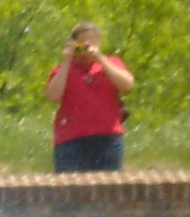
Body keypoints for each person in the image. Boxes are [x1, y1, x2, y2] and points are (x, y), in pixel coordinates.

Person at [44, 22, 133, 173]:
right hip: (71, 140)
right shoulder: (62, 70)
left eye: (91, 44)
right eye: (81, 45)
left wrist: (100, 59)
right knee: (71, 189)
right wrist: (67, 61)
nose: (86, 49)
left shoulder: (111, 64)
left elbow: (127, 85)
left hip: (108, 138)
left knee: (109, 187)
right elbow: (53, 96)